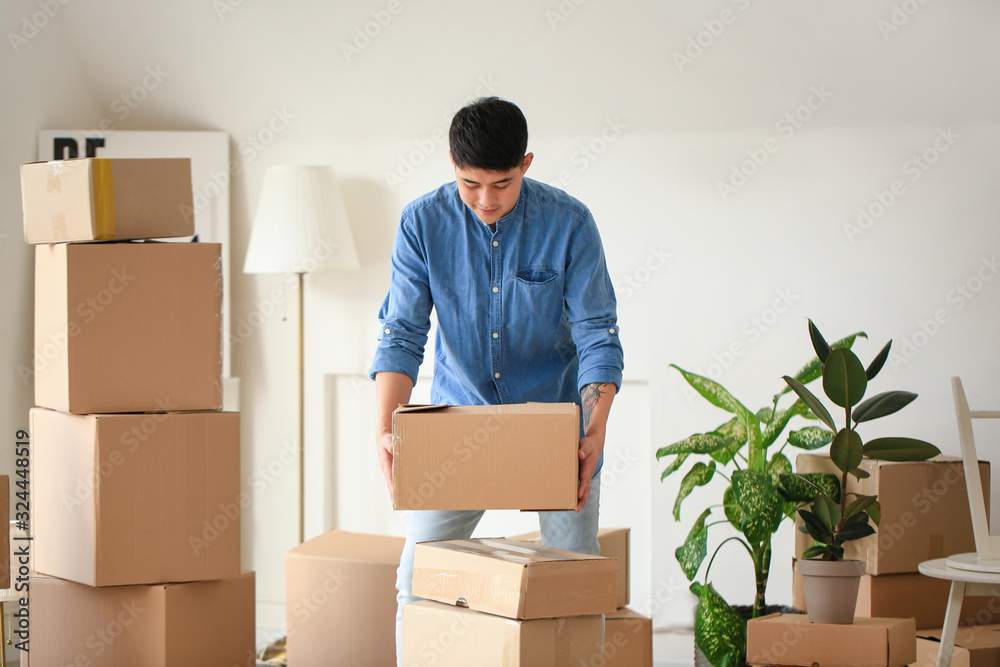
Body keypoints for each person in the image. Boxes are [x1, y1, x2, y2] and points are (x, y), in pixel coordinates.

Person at [368, 97, 624, 664]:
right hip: (457, 424)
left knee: (574, 590)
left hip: (557, 430)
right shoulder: (422, 223)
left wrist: (595, 432)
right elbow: (401, 334)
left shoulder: (570, 223)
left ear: (526, 164)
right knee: (418, 583)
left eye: (502, 184)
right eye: (470, 184)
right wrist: (386, 427)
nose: (486, 200)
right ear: (452, 164)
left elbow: (597, 337)